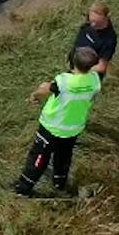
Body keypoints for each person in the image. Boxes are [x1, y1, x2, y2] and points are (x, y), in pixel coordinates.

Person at [13, 46, 103, 197]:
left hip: (51, 127)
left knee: (39, 157)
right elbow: (91, 97)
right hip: (73, 129)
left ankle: (23, 188)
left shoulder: (63, 81)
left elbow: (45, 89)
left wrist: (34, 95)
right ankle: (59, 183)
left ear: (71, 63)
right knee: (64, 156)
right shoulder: (94, 80)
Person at [72, 1, 117, 77]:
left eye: (97, 22)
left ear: (106, 18)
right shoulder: (89, 23)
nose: (92, 25)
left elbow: (101, 67)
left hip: (87, 74)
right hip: (76, 63)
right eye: (91, 20)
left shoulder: (109, 39)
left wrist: (81, 70)